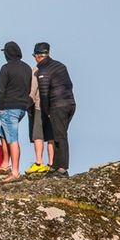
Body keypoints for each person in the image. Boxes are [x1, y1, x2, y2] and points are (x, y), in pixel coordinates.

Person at [34, 42, 76, 178]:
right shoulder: (60, 66)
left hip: (58, 106)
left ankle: (62, 168)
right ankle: (55, 166)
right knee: (57, 135)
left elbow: (44, 94)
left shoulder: (43, 71)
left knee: (60, 136)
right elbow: (70, 85)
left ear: (38, 56)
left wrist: (46, 111)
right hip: (70, 104)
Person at [0, 41, 31, 182]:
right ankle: (5, 164)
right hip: (22, 107)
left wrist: (0, 107)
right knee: (2, 133)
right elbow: (29, 88)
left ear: (7, 54)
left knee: (12, 139)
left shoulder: (6, 68)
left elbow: (1, 90)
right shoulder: (27, 68)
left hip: (8, 107)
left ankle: (15, 171)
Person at [25, 61, 53, 174]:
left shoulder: (36, 71)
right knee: (51, 136)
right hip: (53, 106)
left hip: (39, 106)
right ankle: (51, 163)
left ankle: (38, 162)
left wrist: (27, 105)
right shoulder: (55, 69)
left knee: (38, 135)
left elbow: (33, 90)